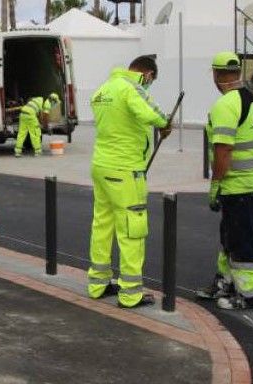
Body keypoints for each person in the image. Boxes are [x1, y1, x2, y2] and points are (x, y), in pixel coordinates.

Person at [85, 56, 170, 308]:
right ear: (147, 74)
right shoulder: (131, 87)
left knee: (102, 224)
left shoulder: (103, 89)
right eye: (151, 80)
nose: (149, 85)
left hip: (101, 165)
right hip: (125, 169)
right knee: (132, 229)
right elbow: (151, 112)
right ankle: (131, 293)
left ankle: (98, 283)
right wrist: (165, 123)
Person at [195, 51, 253, 310]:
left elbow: (224, 150)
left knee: (241, 241)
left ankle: (250, 296)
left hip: (239, 186)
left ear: (216, 75)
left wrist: (215, 185)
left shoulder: (225, 105)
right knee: (229, 236)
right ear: (237, 72)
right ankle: (224, 282)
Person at [12, 92, 61, 157]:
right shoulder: (47, 104)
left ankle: (17, 152)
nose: (54, 104)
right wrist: (46, 127)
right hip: (30, 115)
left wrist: (40, 122)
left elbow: (40, 115)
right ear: (53, 100)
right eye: (55, 102)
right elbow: (45, 117)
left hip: (23, 114)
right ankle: (38, 151)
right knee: (35, 133)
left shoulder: (40, 99)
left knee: (21, 133)